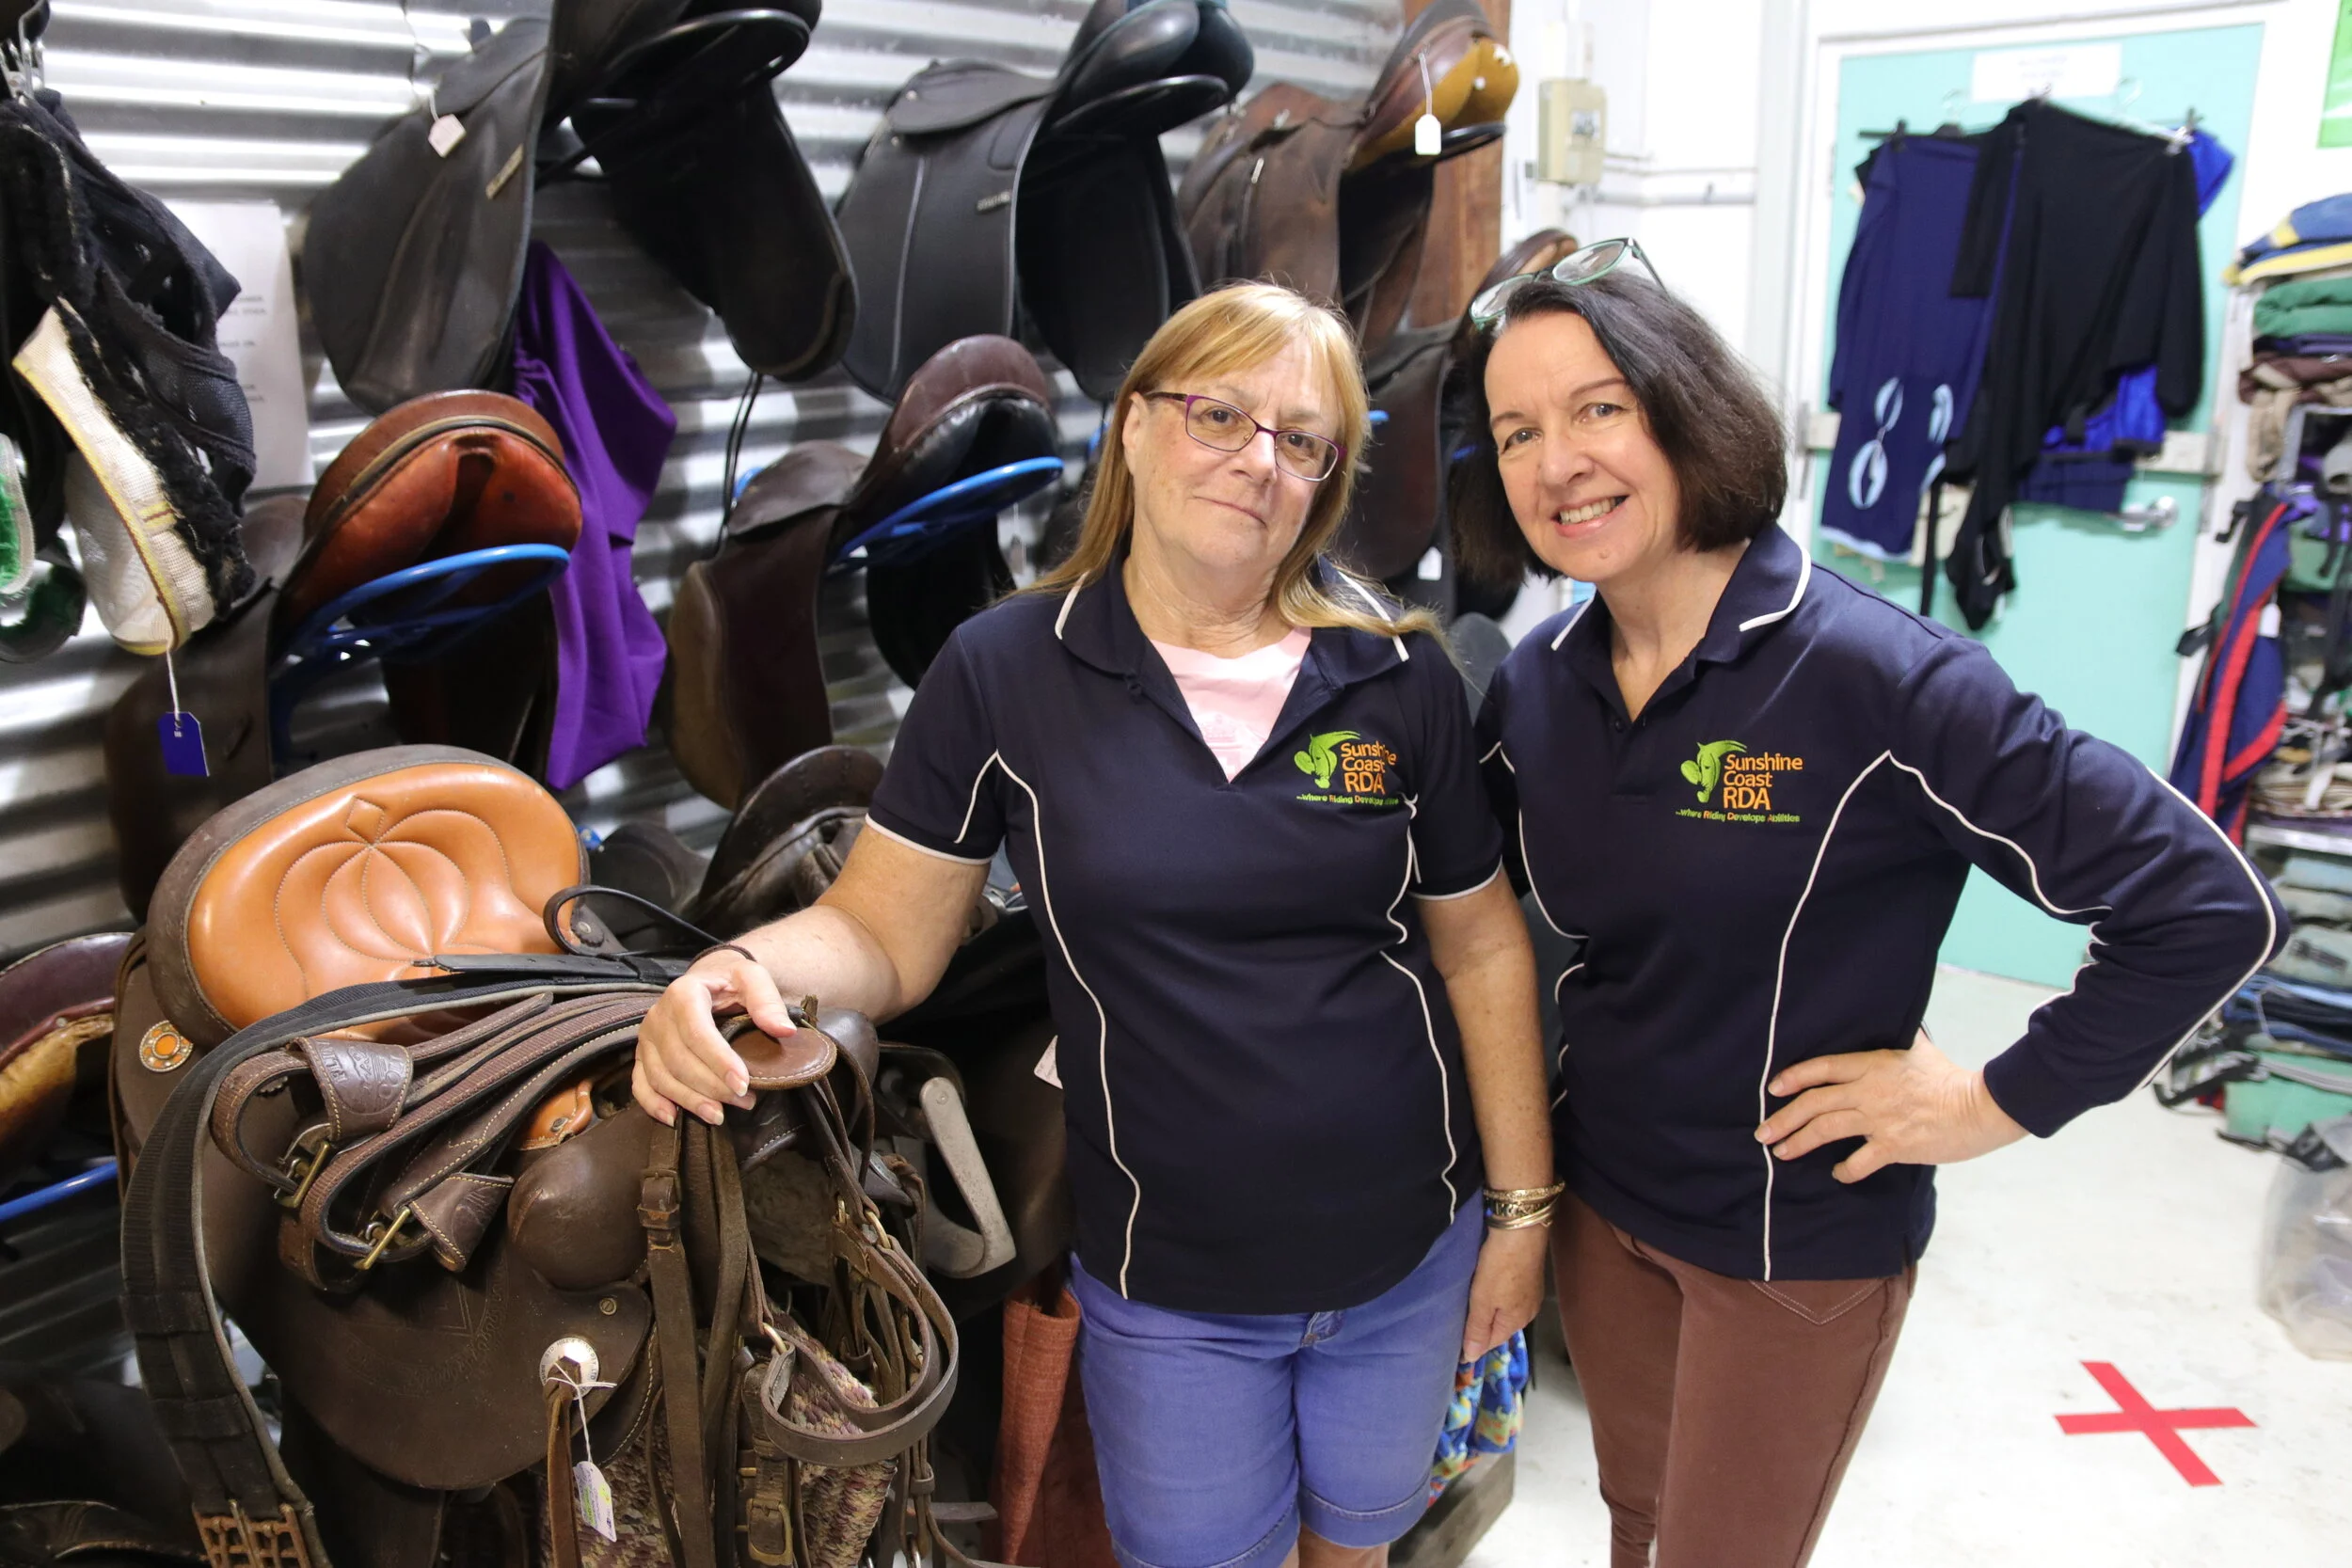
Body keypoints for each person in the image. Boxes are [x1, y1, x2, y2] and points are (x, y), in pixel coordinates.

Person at [632, 283, 1556, 1568]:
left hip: (1407, 1248)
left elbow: (1482, 945)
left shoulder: (1396, 674)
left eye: (1302, 439)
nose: (1258, 460)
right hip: (1173, 1278)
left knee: (1360, 1549)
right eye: (1220, 413)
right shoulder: (1006, 671)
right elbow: (885, 937)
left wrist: (1520, 1213)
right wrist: (735, 966)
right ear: (1131, 427)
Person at [1453, 240, 2283, 1568]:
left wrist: (1988, 1103)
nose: (1558, 462)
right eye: (1515, 431)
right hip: (1607, 1210)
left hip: (1796, 1241)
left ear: (1685, 411)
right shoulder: (1539, 686)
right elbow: (1470, 916)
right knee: (1637, 1527)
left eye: (1599, 406)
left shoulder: (1883, 678)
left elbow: (2203, 905)